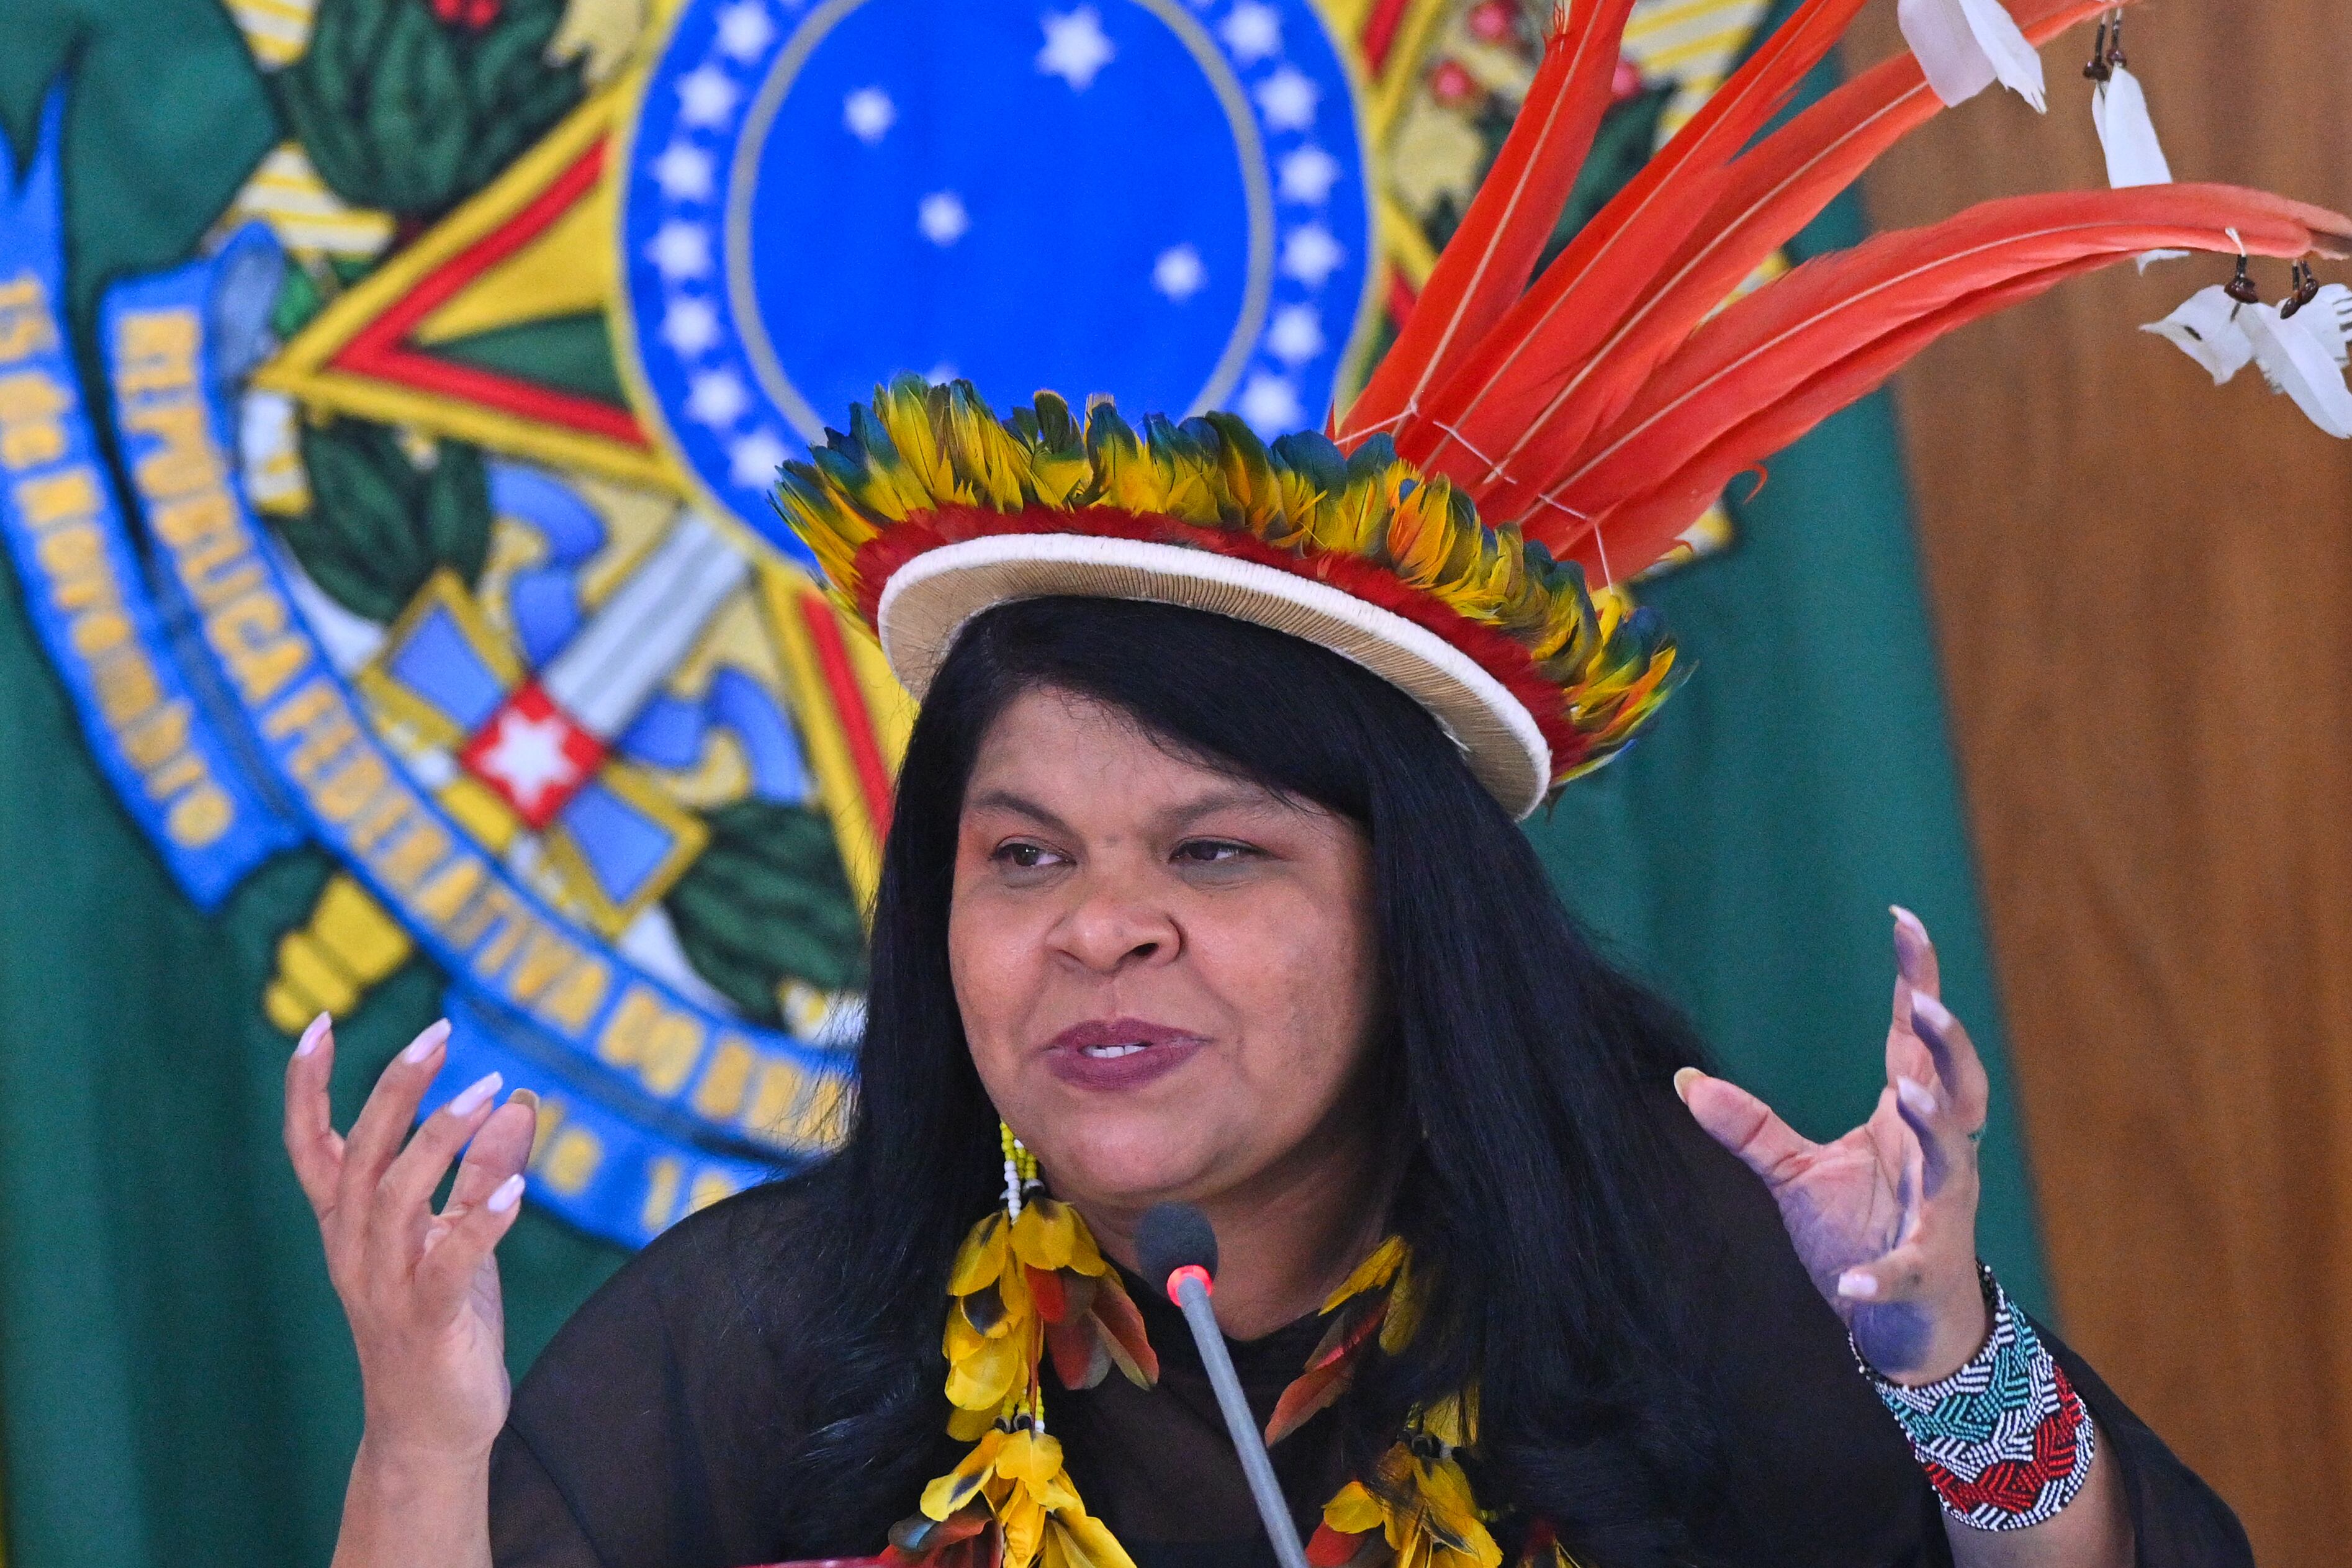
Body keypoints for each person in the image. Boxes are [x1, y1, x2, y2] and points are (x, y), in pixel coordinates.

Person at [282, 4, 2345, 1565]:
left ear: (1408, 910)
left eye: (1215, 850)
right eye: (1025, 857)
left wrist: (1945, 1358)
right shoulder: (783, 1327)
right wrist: (425, 1440)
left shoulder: (1678, 1271)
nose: (1103, 930)